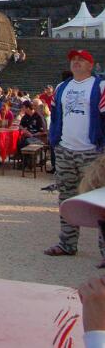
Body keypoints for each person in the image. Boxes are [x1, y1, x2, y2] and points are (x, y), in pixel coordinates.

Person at [45, 49, 105, 259]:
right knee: (66, 197)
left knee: (100, 201)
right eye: (73, 60)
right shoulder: (61, 87)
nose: (76, 62)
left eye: (81, 60)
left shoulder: (100, 86)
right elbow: (56, 116)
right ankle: (67, 243)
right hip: (65, 150)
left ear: (91, 65)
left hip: (93, 152)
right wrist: (56, 142)